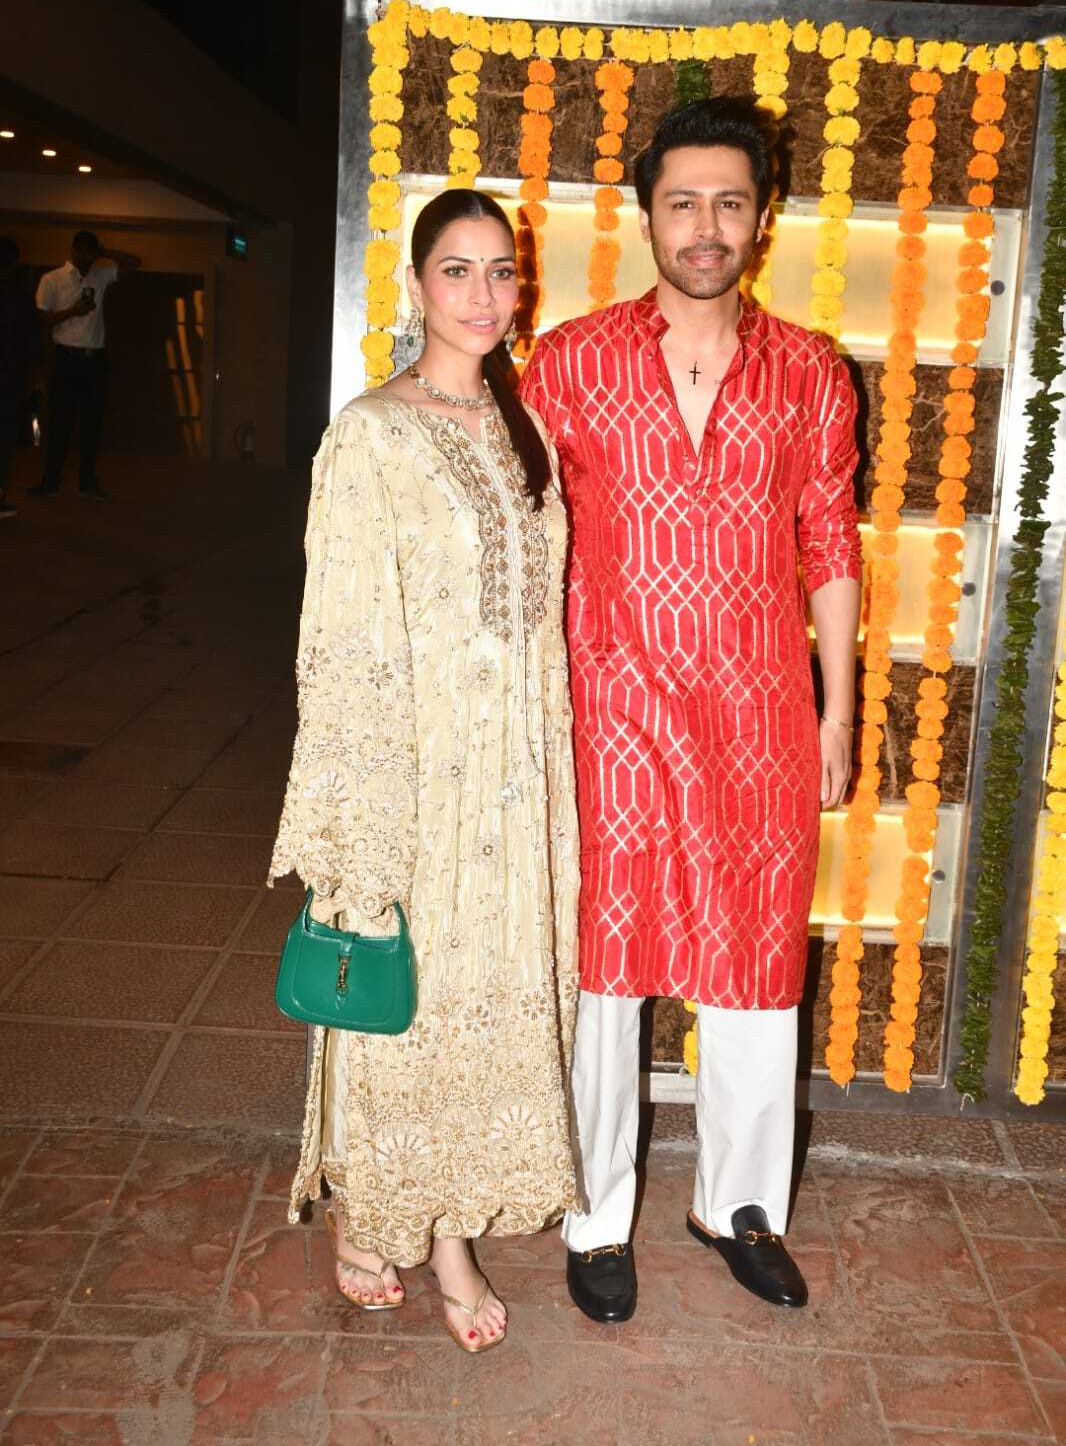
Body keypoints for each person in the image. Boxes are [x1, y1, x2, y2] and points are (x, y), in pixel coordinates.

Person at [522, 96, 862, 1323]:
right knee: (605, 973)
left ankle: (738, 1207)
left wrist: (836, 712)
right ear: (646, 217)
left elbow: (829, 541)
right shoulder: (568, 361)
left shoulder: (812, 371)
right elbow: (530, 535)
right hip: (607, 701)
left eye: (728, 202)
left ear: (761, 218)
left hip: (761, 708)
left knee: (755, 962)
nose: (705, 226)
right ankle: (595, 1216)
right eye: (683, 202)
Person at [269, 188, 579, 1354]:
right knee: (401, 1006)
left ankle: (441, 1231)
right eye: (457, 270)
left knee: (475, 1018)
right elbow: (342, 638)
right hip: (417, 776)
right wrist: (361, 815)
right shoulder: (372, 435)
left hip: (514, 782)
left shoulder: (519, 426)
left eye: (501, 272)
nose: (483, 295)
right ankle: (382, 1220)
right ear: (413, 285)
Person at [30, 229, 140, 500]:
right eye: (84, 251)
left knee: (92, 422)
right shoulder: (52, 279)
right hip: (65, 358)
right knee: (60, 421)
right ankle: (50, 481)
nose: (88, 258)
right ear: (74, 250)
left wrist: (105, 253)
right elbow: (42, 319)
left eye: (93, 253)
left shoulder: (100, 275)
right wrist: (74, 311)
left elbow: (133, 264)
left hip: (94, 360)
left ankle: (87, 482)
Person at [0, 237, 39, 519]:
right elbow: (30, 341)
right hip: (9, 377)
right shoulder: (19, 296)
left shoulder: (19, 296)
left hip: (10, 376)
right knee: (3, 440)